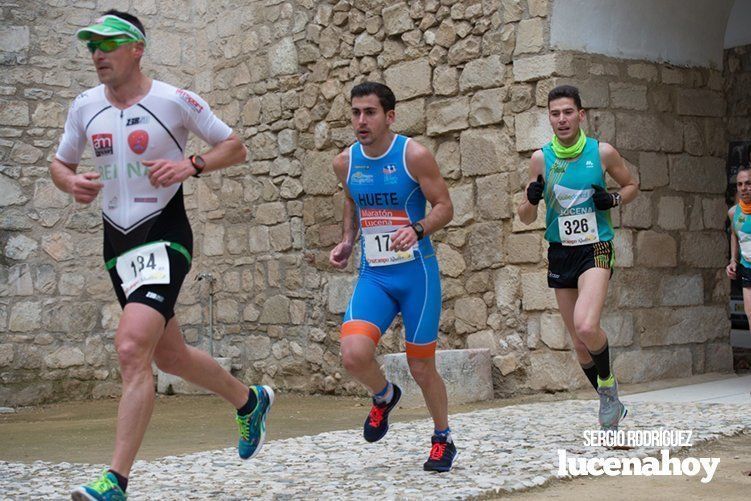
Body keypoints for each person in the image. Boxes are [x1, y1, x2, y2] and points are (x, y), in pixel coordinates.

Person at [49, 11, 273, 500]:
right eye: (92, 46)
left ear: (136, 48)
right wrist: (71, 183)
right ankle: (248, 400)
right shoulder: (84, 106)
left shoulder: (174, 100)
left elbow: (235, 146)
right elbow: (60, 163)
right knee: (169, 356)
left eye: (108, 44)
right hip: (117, 243)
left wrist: (191, 164)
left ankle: (116, 481)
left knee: (132, 348)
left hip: (164, 236)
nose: (97, 54)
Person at [329, 82, 456, 471]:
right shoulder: (345, 163)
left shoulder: (413, 155)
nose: (361, 121)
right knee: (353, 354)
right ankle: (383, 396)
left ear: (390, 116)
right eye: (355, 113)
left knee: (421, 366)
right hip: (376, 275)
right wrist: (348, 240)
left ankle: (442, 438)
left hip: (417, 273)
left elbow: (445, 206)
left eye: (369, 112)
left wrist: (417, 229)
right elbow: (353, 199)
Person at [516, 85, 639, 430]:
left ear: (580, 115)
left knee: (587, 325)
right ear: (549, 118)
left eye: (568, 112)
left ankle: (608, 390)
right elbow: (525, 216)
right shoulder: (540, 159)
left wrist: (612, 201)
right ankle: (610, 402)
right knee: (580, 346)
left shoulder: (602, 152)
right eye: (555, 114)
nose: (562, 119)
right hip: (561, 252)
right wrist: (531, 198)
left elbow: (632, 186)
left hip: (596, 246)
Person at [727, 166, 751, 333]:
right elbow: (735, 235)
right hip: (747, 268)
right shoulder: (733, 212)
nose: (744, 188)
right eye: (740, 184)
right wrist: (733, 260)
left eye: (749, 183)